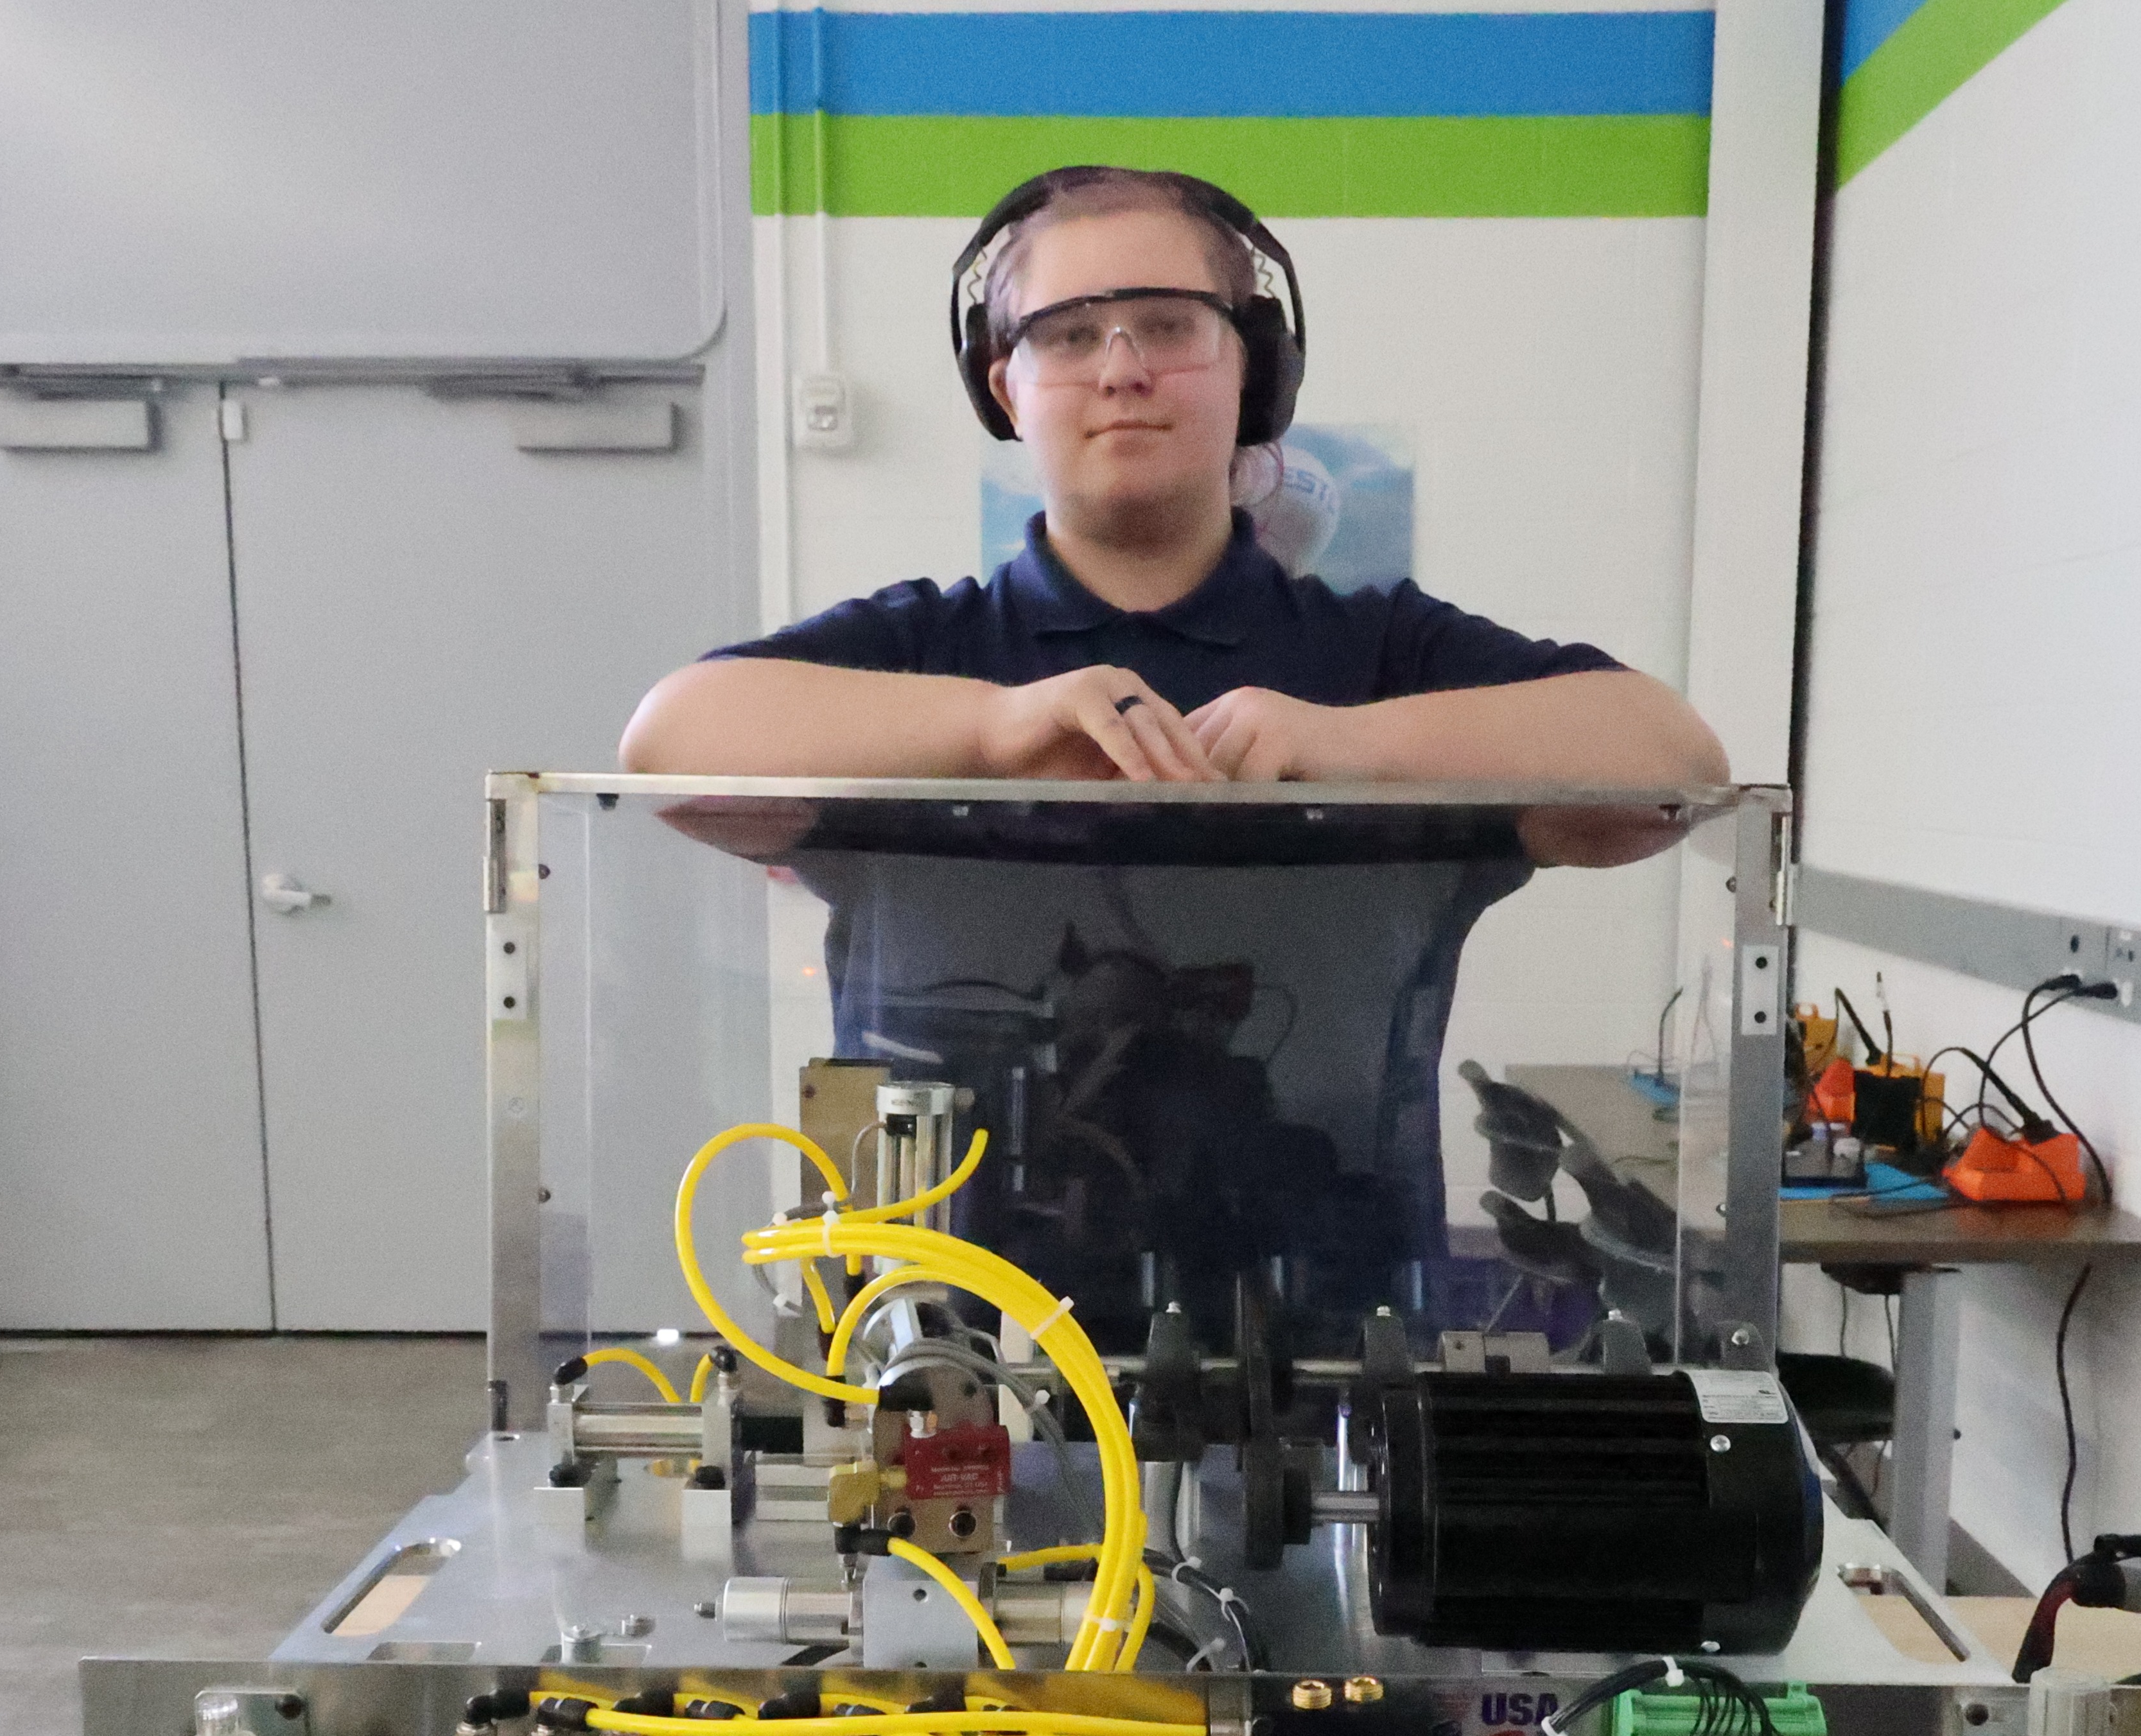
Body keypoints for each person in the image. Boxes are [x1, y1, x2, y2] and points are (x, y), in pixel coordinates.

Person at [620, 166, 1728, 1348]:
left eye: (1167, 326)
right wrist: (994, 733)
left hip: (1331, 1343)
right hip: (951, 1348)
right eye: (1067, 333)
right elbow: (670, 745)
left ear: (1252, 367)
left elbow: (1670, 760)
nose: (1120, 367)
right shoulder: (927, 651)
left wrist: (1341, 743)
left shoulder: (1377, 652)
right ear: (1006, 384)